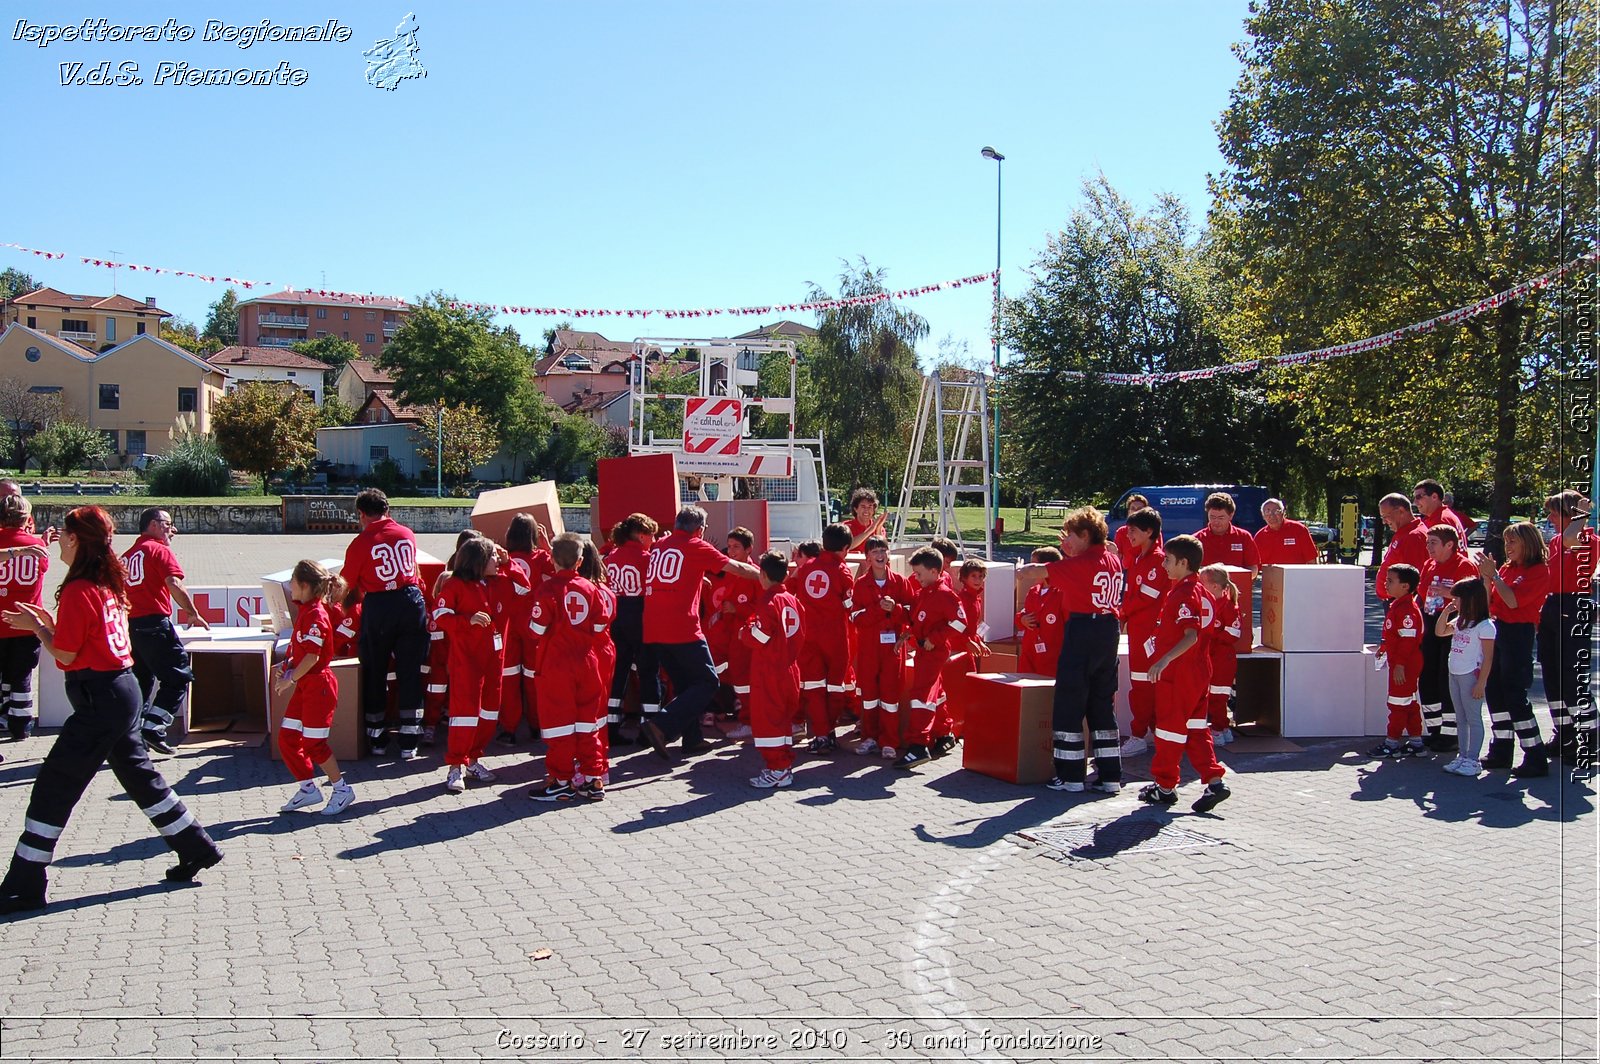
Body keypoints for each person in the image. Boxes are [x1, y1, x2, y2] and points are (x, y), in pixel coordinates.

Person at [0, 506, 222, 913]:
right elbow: (81, 639)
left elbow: (65, 654)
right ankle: (195, 846)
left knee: (54, 786)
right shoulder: (102, 582)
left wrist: (38, 629)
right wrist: (45, 623)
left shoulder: (80, 589)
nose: (60, 542)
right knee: (141, 778)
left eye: (65, 535)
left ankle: (24, 883)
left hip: (101, 699)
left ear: (75, 540)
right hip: (117, 693)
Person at [639, 506, 762, 759]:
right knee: (708, 681)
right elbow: (737, 568)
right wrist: (768, 577)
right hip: (682, 628)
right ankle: (661, 725)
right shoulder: (696, 546)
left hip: (653, 626)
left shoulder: (660, 544)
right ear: (700, 530)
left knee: (685, 685)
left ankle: (692, 739)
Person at [1142, 534, 1231, 812]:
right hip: (1198, 670)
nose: (1164, 565)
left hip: (1180, 672)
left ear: (1183, 562)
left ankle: (1165, 787)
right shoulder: (1202, 590)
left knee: (1169, 730)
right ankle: (1215, 781)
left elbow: (1190, 635)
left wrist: (1163, 660)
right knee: (1195, 728)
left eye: (1168, 560)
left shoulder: (1184, 592)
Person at [342, 489, 429, 759]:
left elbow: (348, 584)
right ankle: (409, 739)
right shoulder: (407, 534)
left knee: (375, 670)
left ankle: (377, 736)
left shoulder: (361, 542)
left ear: (362, 514)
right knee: (410, 671)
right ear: (387, 509)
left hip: (380, 606)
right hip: (411, 601)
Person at [1044, 507, 1125, 793]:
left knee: (1070, 701)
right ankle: (1110, 775)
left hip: (1083, 630)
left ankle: (1070, 775)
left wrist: (1061, 555)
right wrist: (1069, 551)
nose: (1066, 541)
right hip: (1108, 630)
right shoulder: (1112, 560)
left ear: (1085, 535)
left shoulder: (1080, 564)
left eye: (1070, 536)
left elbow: (1035, 572)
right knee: (1102, 704)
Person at [122, 507, 210, 756]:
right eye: (168, 523)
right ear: (152, 525)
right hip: (153, 623)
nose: (173, 529)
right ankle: (154, 728)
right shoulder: (159, 550)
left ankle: (131, 732)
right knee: (178, 676)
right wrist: (192, 612)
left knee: (141, 679)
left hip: (130, 626)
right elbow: (174, 583)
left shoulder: (127, 556)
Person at [528, 534, 607, 801]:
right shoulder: (590, 587)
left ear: (552, 559)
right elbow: (599, 626)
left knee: (559, 726)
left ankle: (561, 780)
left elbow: (536, 630)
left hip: (557, 664)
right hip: (587, 661)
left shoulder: (548, 590)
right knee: (588, 724)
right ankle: (593, 779)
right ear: (580, 561)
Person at [274, 561, 355, 816]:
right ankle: (308, 789)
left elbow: (312, 656)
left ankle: (342, 789)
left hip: (318, 686)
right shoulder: (307, 610)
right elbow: (302, 652)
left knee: (314, 744)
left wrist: (290, 679)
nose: (289, 587)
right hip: (306, 685)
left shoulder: (316, 614)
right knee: (287, 738)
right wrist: (287, 664)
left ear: (305, 586)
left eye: (293, 582)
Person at [435, 536, 506, 794]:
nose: (498, 559)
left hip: (492, 661)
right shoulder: (455, 584)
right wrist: (467, 620)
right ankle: (455, 766)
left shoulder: (496, 582)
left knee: (488, 713)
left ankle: (474, 760)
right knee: (464, 714)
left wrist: (508, 564)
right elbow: (440, 616)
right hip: (466, 661)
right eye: (493, 556)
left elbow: (524, 587)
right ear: (479, 561)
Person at [1480, 521, 1552, 777]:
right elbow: (1491, 600)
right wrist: (1488, 578)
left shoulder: (1539, 571)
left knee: (1514, 694)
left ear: (1528, 543)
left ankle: (1535, 755)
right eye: (1506, 542)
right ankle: (1501, 750)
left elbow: (1513, 601)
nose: (1507, 547)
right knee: (1495, 691)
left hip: (1518, 634)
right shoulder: (1509, 568)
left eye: (1513, 542)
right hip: (1498, 630)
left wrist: (1496, 577)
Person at [893, 548, 967, 769]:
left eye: (919, 574)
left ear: (934, 571)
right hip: (925, 649)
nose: (916, 578)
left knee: (921, 695)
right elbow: (915, 619)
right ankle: (945, 732)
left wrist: (935, 638)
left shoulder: (944, 594)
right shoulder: (924, 593)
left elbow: (960, 622)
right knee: (937, 692)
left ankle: (918, 745)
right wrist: (903, 628)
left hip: (933, 651)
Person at [1540, 491, 1596, 762]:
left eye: (1554, 512)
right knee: (1552, 675)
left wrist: (1583, 514)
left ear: (1570, 514)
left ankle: (1589, 739)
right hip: (1553, 605)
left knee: (1572, 677)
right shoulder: (1556, 540)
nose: (1549, 518)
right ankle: (1565, 734)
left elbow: (1574, 540)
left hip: (1574, 605)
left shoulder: (1588, 538)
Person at [742, 550, 806, 788]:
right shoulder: (793, 600)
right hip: (790, 668)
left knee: (768, 721)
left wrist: (744, 633)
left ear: (763, 574)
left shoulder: (769, 601)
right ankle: (784, 764)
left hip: (770, 671)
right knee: (783, 720)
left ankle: (777, 769)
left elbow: (759, 637)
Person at [850, 535, 913, 759]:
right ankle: (869, 737)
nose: (879, 555)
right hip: (869, 647)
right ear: (867, 557)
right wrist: (878, 609)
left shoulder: (899, 581)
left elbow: (910, 614)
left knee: (890, 694)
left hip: (892, 648)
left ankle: (889, 741)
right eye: (875, 552)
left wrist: (894, 609)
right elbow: (855, 617)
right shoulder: (860, 585)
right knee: (868, 695)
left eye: (883, 551)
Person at [794, 523, 855, 753]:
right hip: (836, 637)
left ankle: (820, 735)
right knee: (835, 687)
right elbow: (850, 604)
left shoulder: (807, 566)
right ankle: (829, 732)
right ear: (846, 548)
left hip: (809, 636)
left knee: (814, 688)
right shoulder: (842, 570)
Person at [1416, 525, 1476, 751]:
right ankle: (1433, 729)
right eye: (1427, 542)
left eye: (1433, 543)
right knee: (1427, 676)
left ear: (1449, 545)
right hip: (1431, 621)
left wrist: (1447, 593)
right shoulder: (1428, 565)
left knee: (1446, 678)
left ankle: (1450, 734)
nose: (1428, 547)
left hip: (1453, 625)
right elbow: (1422, 590)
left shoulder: (1464, 565)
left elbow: (1473, 596)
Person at [497, 513, 553, 747]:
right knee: (534, 678)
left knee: (508, 679)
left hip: (507, 625)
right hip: (534, 625)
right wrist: (547, 545)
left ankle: (508, 729)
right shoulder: (541, 558)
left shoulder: (502, 558)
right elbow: (559, 571)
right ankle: (536, 725)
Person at [1117, 508, 1168, 757]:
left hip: (1151, 634)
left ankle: (1140, 735)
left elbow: (1148, 596)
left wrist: (1121, 612)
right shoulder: (1137, 558)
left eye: (1133, 531)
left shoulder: (1158, 559)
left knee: (1146, 685)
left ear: (1149, 532)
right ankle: (1152, 732)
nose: (1128, 535)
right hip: (1138, 632)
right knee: (1141, 684)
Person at [603, 514, 658, 744]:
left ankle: (611, 727)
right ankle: (650, 730)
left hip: (616, 613)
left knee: (618, 671)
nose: (653, 540)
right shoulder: (646, 558)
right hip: (640, 612)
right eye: (652, 536)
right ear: (643, 535)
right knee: (648, 670)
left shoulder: (611, 557)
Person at [0, 496, 49, 744]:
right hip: (26, 623)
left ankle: (3, 716)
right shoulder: (37, 546)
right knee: (22, 677)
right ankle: (21, 727)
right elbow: (42, 569)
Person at [1437, 576, 1495, 777]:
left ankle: (1473, 759)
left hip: (1471, 676)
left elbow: (1488, 658)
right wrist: (1447, 611)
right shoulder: (1461, 621)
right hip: (1454, 673)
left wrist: (1481, 683)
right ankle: (1462, 755)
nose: (1455, 602)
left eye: (1458, 598)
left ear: (1470, 599)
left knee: (1473, 719)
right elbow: (1440, 631)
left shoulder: (1486, 626)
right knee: (1460, 718)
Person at [1369, 564, 1425, 759]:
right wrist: (1384, 647)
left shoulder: (1407, 610)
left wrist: (1399, 665)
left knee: (1397, 703)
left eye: (1391, 581)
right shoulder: (1398, 606)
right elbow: (1395, 635)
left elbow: (1408, 641)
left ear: (1405, 586)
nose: (1386, 584)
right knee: (1409, 703)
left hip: (1405, 664)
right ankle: (1416, 742)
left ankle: (1391, 743)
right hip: (1401, 662)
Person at [578, 540, 616, 790]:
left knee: (585, 713)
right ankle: (601, 766)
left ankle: (589, 766)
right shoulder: (606, 589)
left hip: (589, 652)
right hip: (606, 650)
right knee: (599, 713)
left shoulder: (584, 590)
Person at [1198, 564, 1242, 746]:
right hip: (1213, 656)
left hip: (1223, 658)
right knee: (1212, 696)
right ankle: (1222, 728)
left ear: (1215, 586)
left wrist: (1211, 636)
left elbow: (1234, 633)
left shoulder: (1228, 606)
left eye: (1203, 583)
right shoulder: (1210, 602)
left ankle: (1218, 730)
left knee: (1218, 696)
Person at [1015, 546, 1064, 678]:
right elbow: (1025, 613)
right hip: (1030, 651)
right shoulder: (1033, 591)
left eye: (1033, 566)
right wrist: (1022, 619)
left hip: (1052, 655)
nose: (1030, 572)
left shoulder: (1062, 592)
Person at [1375, 493, 1430, 601]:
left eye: (1386, 516)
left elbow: (1413, 579)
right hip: (1395, 599)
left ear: (1400, 511)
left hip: (1400, 601)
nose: (1384, 521)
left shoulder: (1413, 536)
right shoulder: (1405, 532)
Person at [1194, 492, 1260, 577]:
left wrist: (1240, 579)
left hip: (1237, 588)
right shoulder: (1197, 539)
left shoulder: (1244, 537)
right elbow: (1189, 570)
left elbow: (1253, 568)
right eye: (1212, 517)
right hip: (1206, 588)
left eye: (1221, 518)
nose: (1216, 522)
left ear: (1231, 515)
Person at [1253, 498, 1320, 566]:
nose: (1272, 515)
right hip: (1270, 575)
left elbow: (1312, 561)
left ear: (1283, 512)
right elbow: (1255, 565)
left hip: (1296, 575)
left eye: (1276, 511)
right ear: (1263, 516)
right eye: (1267, 512)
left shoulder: (1299, 529)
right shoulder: (1259, 537)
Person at [1111, 494, 1158, 558]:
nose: (1135, 511)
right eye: (1132, 508)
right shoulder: (1121, 532)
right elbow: (1117, 555)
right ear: (1128, 511)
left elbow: (1156, 553)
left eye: (1139, 509)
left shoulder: (1151, 530)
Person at [842, 488, 888, 552]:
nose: (866, 510)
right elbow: (846, 547)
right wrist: (869, 531)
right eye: (863, 506)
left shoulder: (879, 528)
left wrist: (878, 528)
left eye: (870, 507)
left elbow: (883, 550)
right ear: (855, 509)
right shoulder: (845, 527)